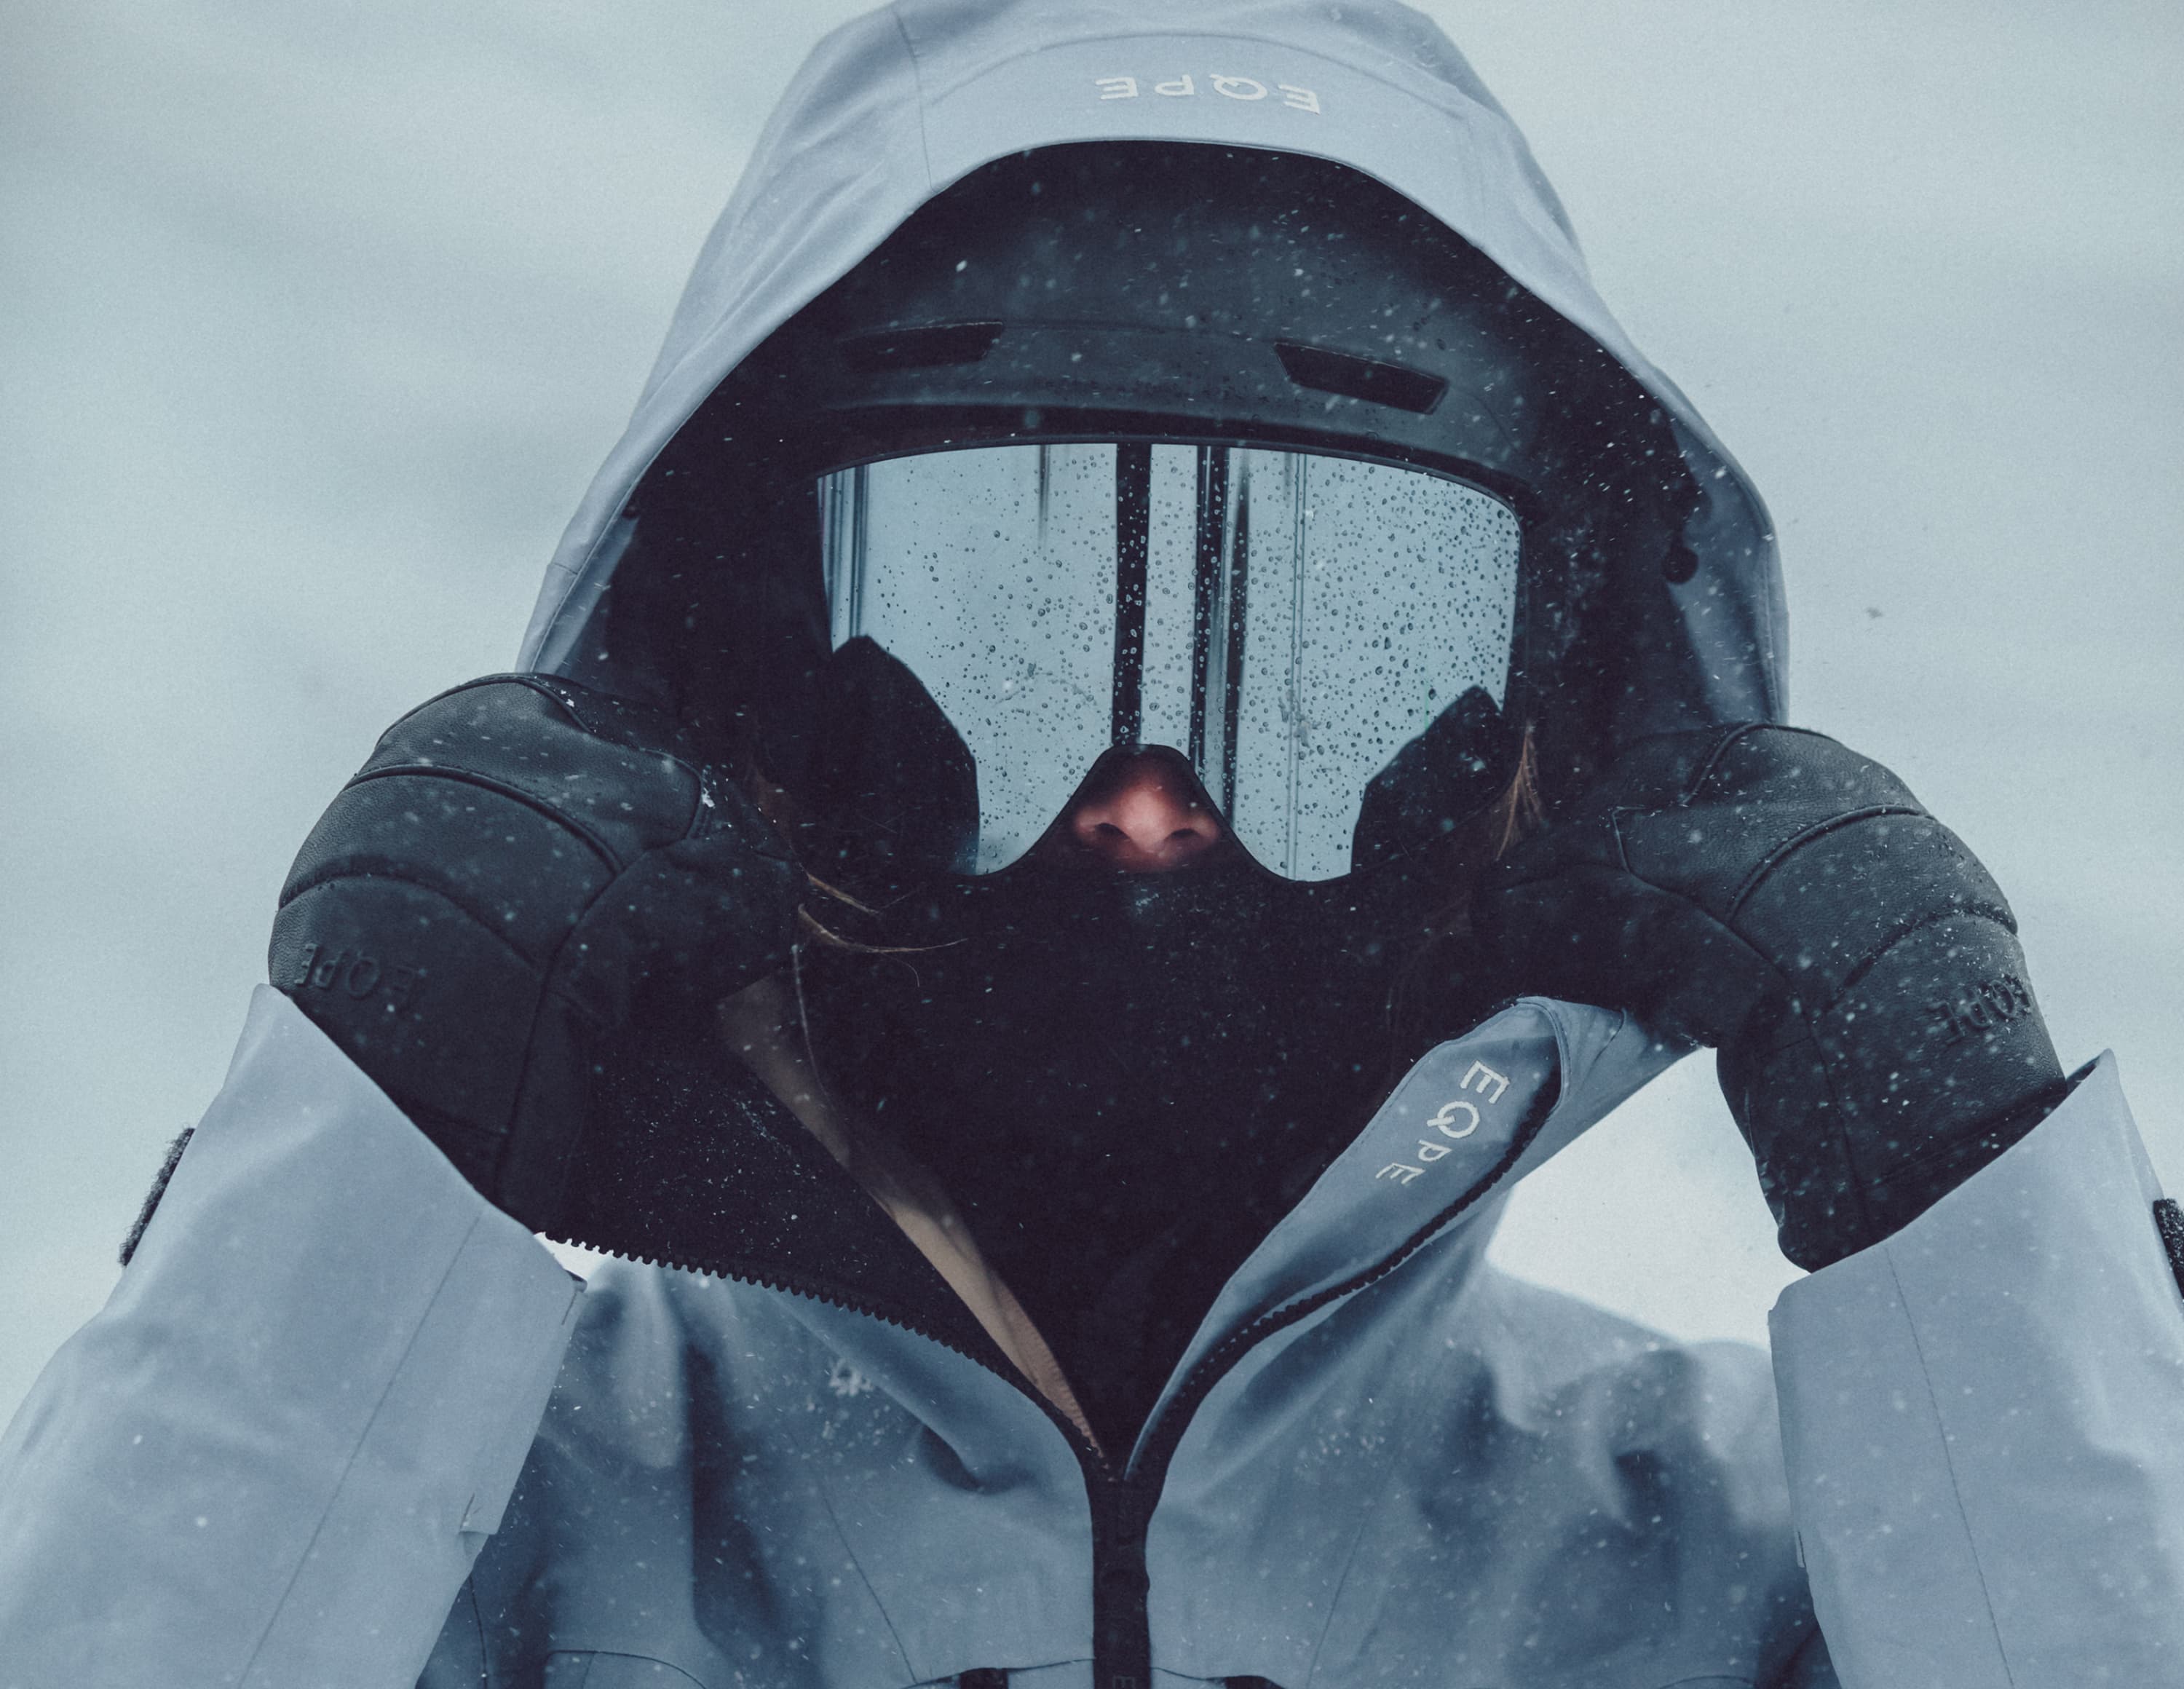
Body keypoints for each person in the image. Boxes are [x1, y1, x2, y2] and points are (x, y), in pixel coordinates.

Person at [1, 4, 2180, 1687]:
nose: (1145, 801)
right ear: (743, 695)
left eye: (1327, 652)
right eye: (989, 630)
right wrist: (341, 1217)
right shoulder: (453, 1520)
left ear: (1545, 743)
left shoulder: (1770, 1547)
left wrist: (1976, 1252)